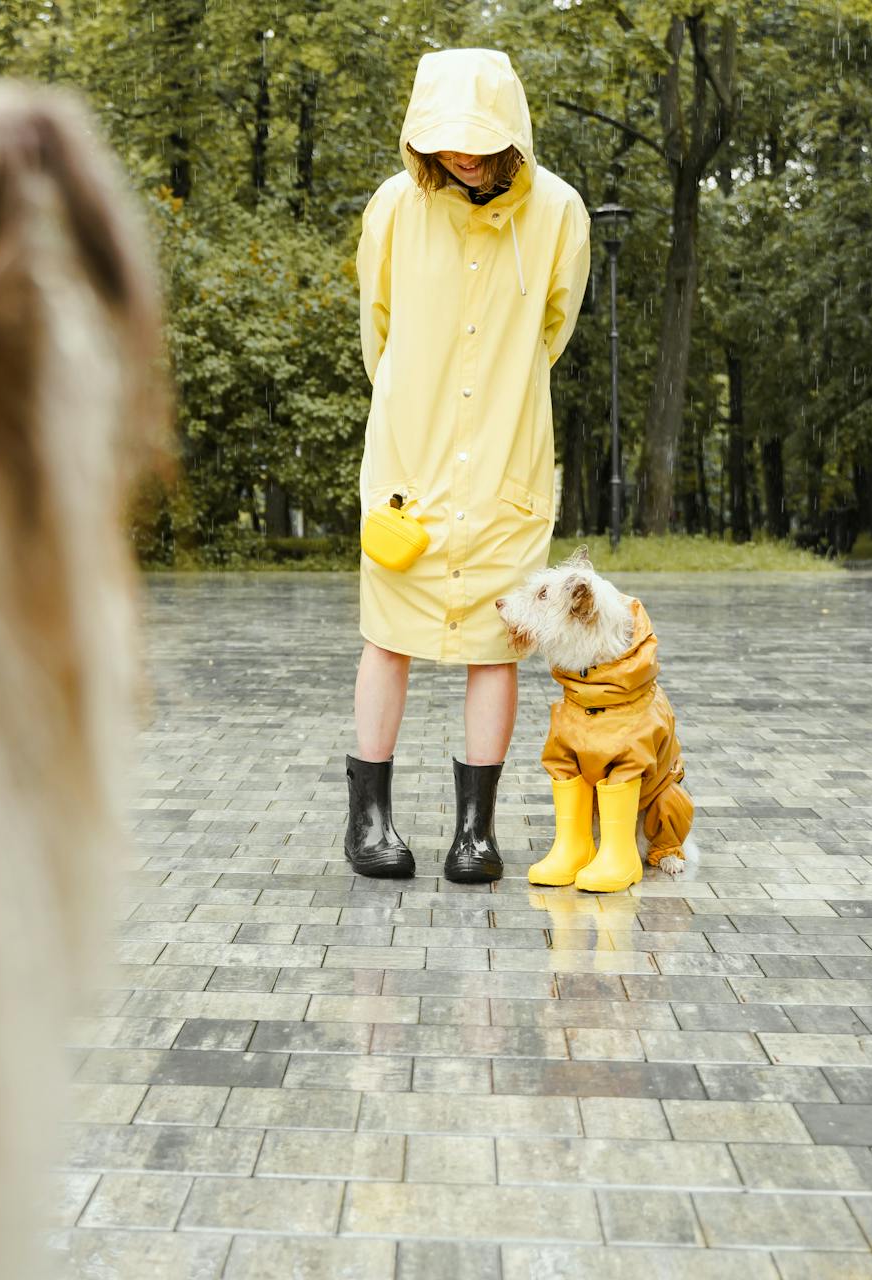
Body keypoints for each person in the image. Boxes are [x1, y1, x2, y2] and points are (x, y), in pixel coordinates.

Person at [345, 49, 590, 884]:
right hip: (408, 461)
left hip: (506, 460)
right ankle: (368, 820)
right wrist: (417, 404)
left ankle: (474, 832)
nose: (467, 156)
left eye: (482, 141)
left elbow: (553, 329)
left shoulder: (558, 212)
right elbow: (378, 327)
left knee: (496, 643)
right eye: (448, 142)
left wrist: (497, 402)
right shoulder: (393, 208)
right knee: (388, 635)